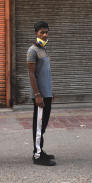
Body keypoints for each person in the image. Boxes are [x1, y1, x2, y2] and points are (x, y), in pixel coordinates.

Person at [26, 21, 55, 166]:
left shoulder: (43, 49)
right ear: (36, 33)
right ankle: (37, 156)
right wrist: (37, 95)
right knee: (38, 125)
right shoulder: (32, 50)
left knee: (42, 124)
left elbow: (46, 73)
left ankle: (40, 150)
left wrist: (50, 92)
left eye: (46, 32)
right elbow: (31, 74)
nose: (44, 35)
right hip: (40, 95)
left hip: (47, 93)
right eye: (41, 32)